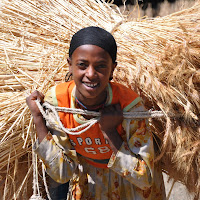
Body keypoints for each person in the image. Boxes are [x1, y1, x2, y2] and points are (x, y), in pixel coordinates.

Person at [26, 26, 166, 200]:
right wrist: (38, 119)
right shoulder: (58, 102)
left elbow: (145, 179)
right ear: (70, 65)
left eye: (100, 66)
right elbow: (61, 173)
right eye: (82, 65)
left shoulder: (129, 106)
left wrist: (110, 133)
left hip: (133, 189)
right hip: (91, 184)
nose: (91, 74)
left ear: (112, 69)